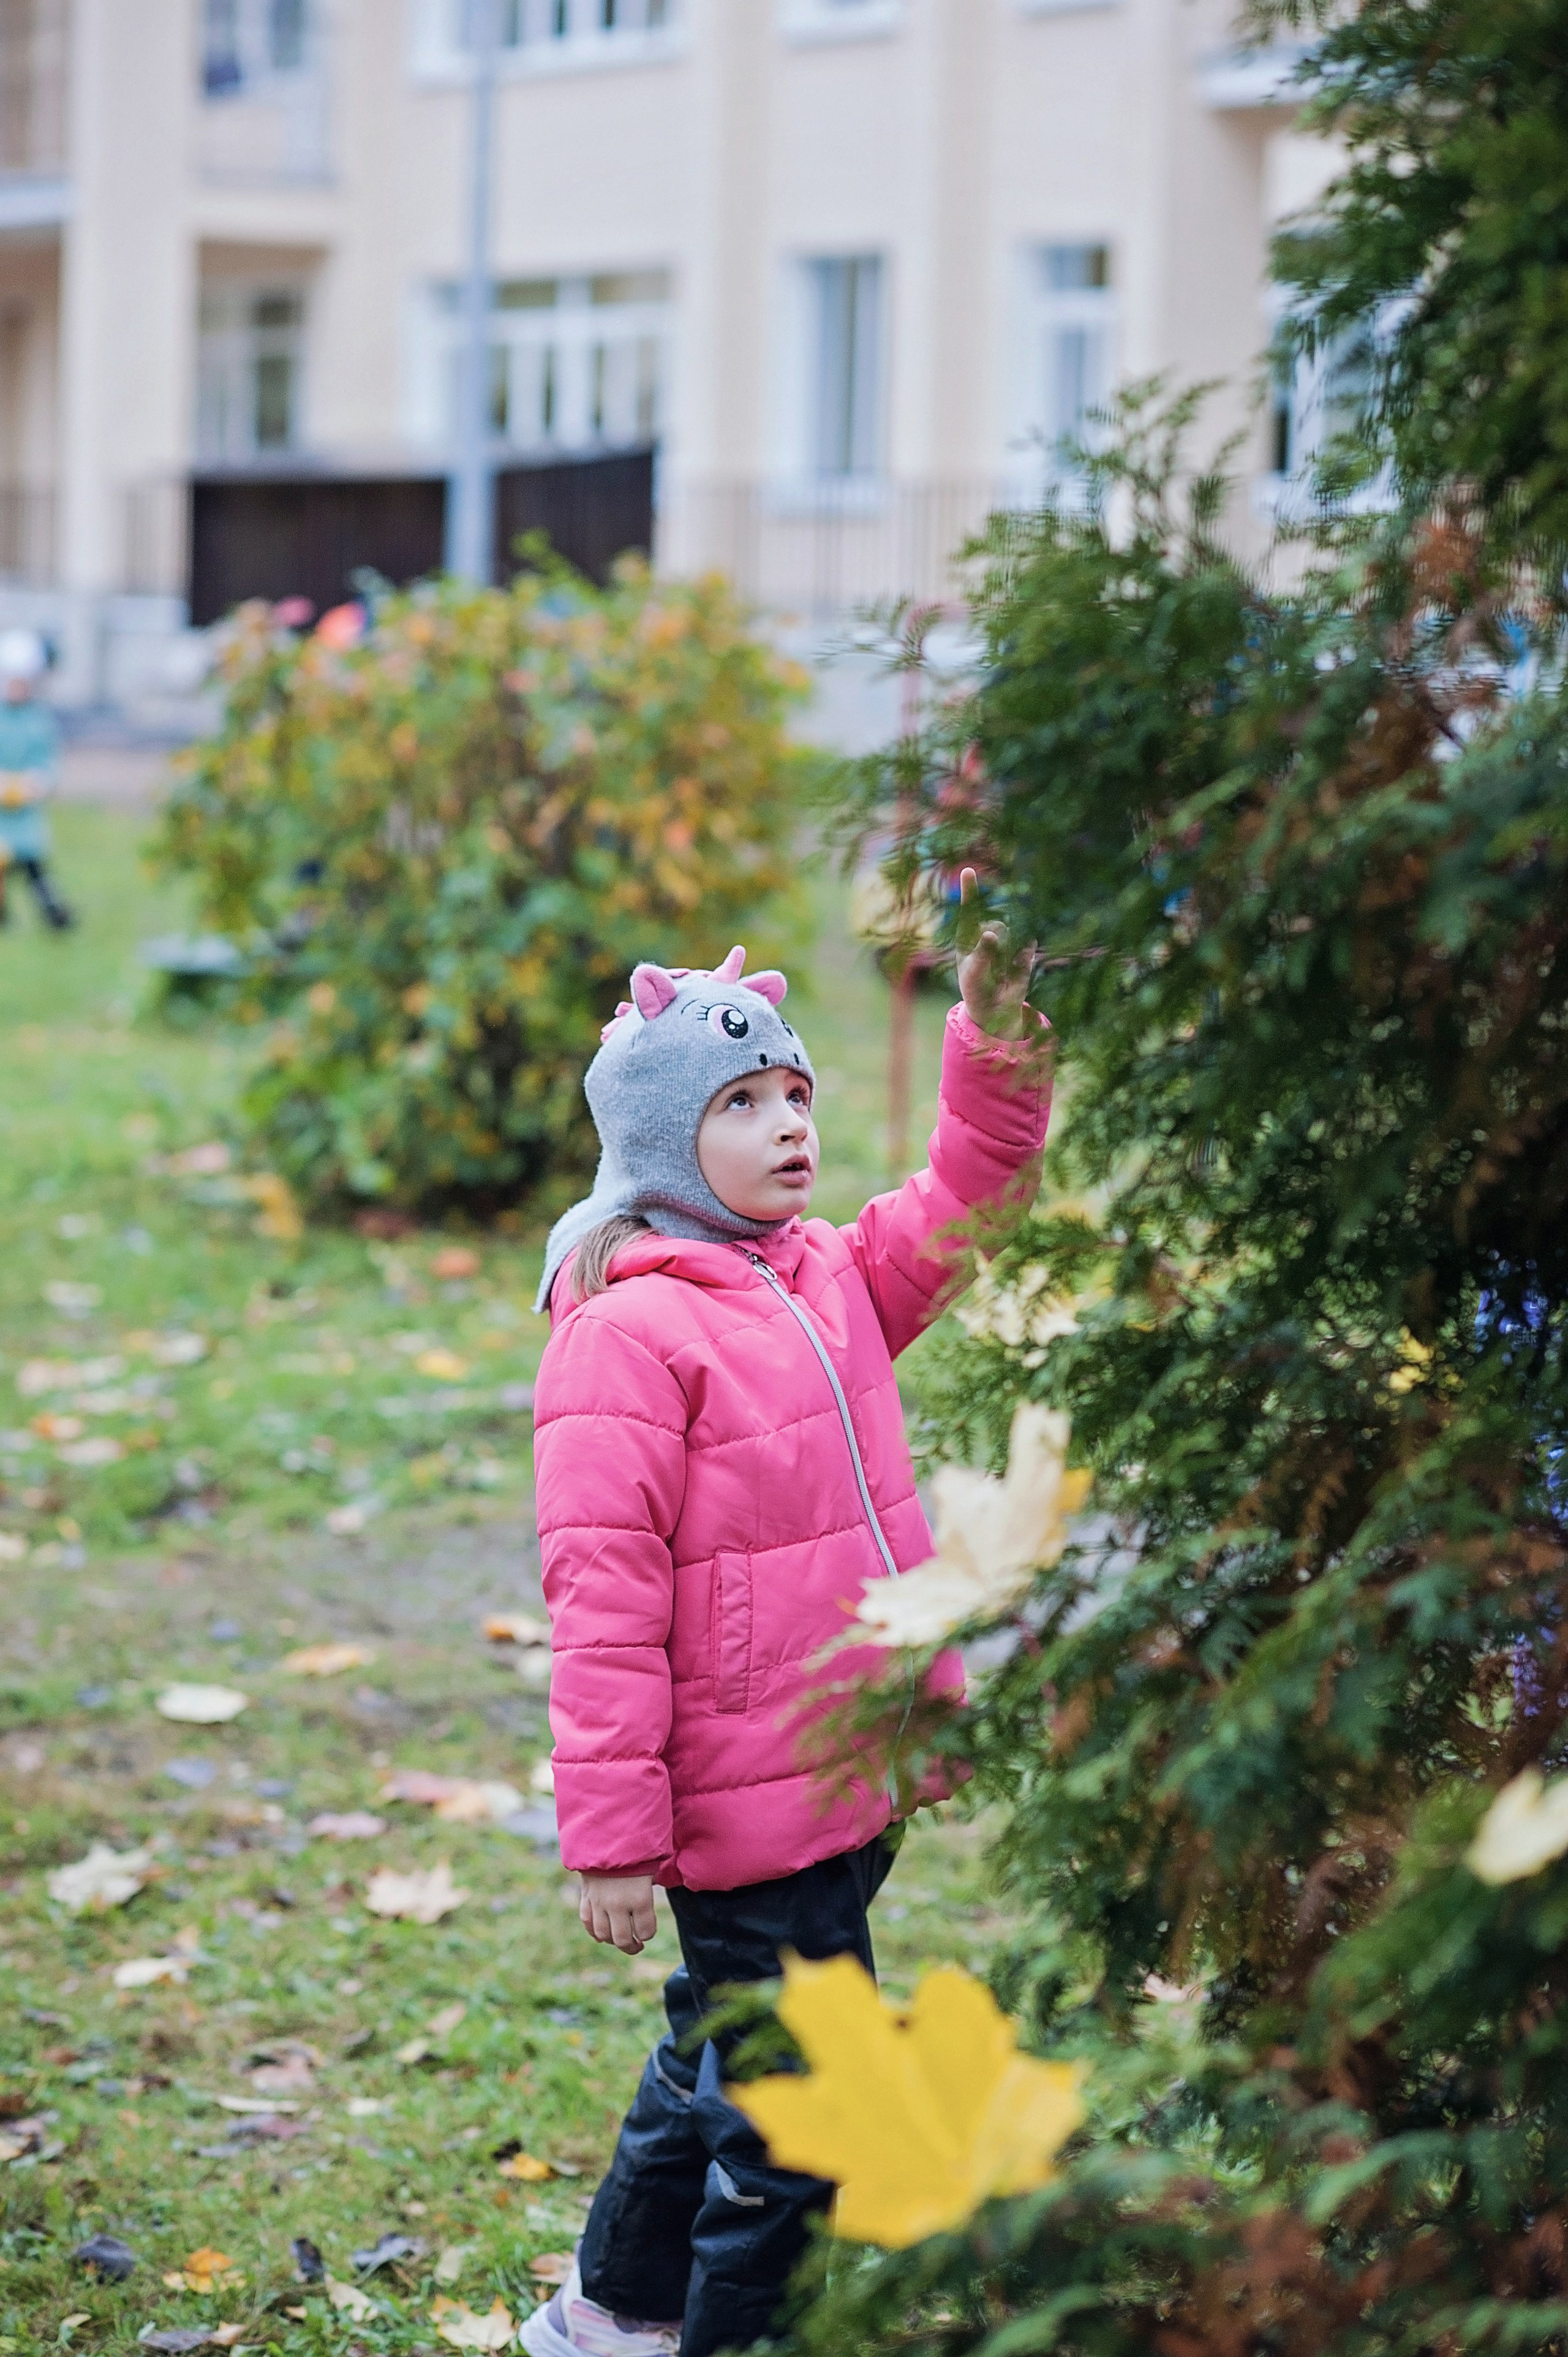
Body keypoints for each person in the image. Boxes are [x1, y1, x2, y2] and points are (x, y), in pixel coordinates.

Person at [522, 874, 1052, 2357]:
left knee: (721, 2043)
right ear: (659, 1139)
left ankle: (613, 2312)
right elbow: (601, 1601)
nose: (789, 1124)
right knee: (799, 2119)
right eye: (743, 1099)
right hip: (741, 1807)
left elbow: (965, 1199)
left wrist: (991, 1046)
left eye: (794, 1090)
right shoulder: (629, 1332)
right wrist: (613, 1833)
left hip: (840, 1774)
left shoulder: (826, 1279)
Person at [0, 628, 72, 929]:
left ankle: (55, 914)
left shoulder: (39, 721)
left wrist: (40, 781)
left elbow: (48, 761)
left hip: (25, 812)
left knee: (34, 868)